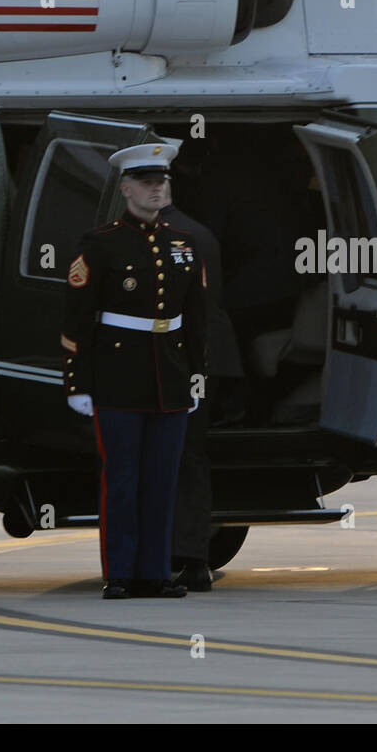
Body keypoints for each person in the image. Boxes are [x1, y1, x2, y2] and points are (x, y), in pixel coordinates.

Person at [61, 141, 207, 600]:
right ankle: (121, 572)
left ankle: (156, 573)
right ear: (126, 188)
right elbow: (77, 319)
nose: (156, 190)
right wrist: (77, 381)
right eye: (146, 183)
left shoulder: (184, 245)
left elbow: (196, 318)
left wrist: (196, 373)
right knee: (122, 479)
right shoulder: (100, 244)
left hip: (169, 378)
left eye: (161, 181)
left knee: (163, 481)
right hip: (117, 377)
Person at [160, 173, 243, 592]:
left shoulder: (170, 237)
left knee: (171, 458)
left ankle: (166, 555)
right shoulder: (197, 232)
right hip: (202, 362)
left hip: (176, 361)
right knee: (189, 459)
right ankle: (191, 557)